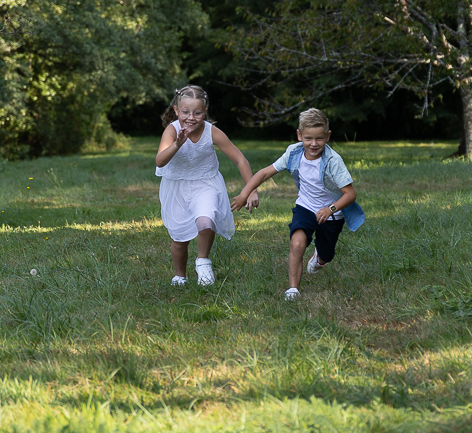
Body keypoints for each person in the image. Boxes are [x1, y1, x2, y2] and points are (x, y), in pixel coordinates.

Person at [230, 108, 364, 300]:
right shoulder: (294, 153)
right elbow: (265, 173)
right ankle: (293, 289)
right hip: (305, 207)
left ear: (327, 136)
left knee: (326, 255)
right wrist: (245, 194)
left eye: (319, 139)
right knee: (297, 243)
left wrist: (330, 209)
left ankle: (319, 258)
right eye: (308, 138)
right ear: (299, 135)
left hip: (332, 213)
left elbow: (350, 194)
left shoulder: (333, 161)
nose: (313, 144)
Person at [155, 85, 259, 286]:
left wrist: (252, 190)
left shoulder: (212, 132)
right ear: (176, 110)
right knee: (179, 239)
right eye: (185, 112)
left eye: (197, 113)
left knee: (206, 221)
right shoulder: (172, 130)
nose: (191, 118)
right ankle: (180, 276)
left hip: (206, 184)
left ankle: (203, 262)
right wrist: (177, 144)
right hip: (176, 188)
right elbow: (160, 161)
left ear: (205, 112)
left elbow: (240, 159)